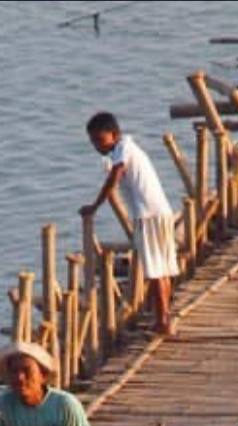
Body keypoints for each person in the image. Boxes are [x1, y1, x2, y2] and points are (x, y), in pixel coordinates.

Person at [80, 111, 179, 336]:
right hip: (160, 211)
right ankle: (163, 318)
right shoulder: (126, 148)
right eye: (93, 141)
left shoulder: (123, 148)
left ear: (114, 135)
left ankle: (163, 321)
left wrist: (94, 206)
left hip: (148, 215)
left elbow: (116, 175)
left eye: (100, 140)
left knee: (155, 271)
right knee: (161, 269)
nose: (97, 146)